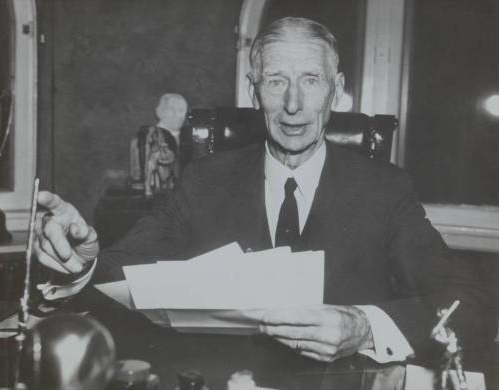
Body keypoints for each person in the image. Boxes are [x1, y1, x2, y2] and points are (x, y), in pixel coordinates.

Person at [34, 17, 496, 365]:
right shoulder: (204, 180)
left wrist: (364, 327)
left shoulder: (385, 189)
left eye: (310, 81)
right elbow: (124, 271)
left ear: (335, 91)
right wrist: (80, 264)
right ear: (254, 93)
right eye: (276, 81)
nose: (293, 105)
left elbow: (471, 306)